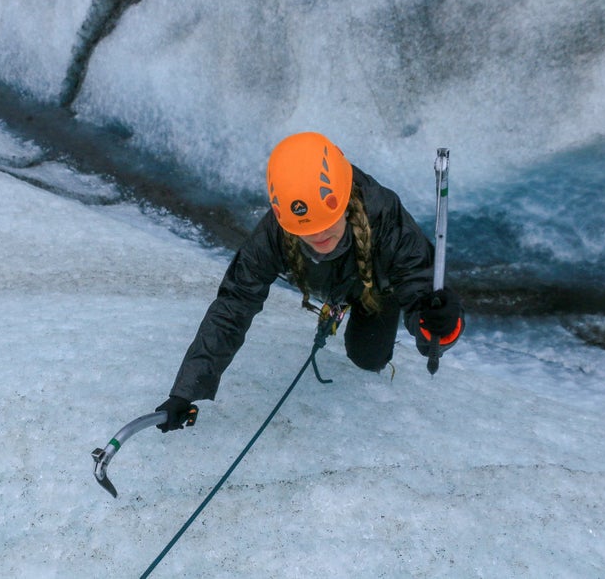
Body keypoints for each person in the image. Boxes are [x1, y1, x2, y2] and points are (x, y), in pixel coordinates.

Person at [155, 132, 465, 431]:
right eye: (306, 229)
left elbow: (419, 283)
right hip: (326, 280)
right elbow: (233, 305)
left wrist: (437, 323)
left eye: (327, 223)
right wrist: (185, 392)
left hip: (378, 289)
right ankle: (338, 303)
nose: (318, 236)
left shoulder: (385, 216)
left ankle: (362, 318)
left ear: (343, 202)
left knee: (368, 357)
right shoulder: (275, 232)